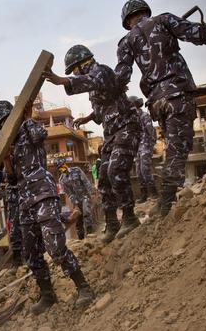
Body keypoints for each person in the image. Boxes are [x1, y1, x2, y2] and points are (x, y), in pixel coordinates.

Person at [0, 100, 94, 314]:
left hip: (43, 193)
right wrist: (6, 157)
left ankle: (84, 287)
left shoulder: (27, 128)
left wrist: (25, 119)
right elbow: (12, 176)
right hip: (25, 200)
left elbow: (40, 135)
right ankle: (47, 295)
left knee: (54, 246)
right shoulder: (8, 145)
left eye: (1, 126)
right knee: (31, 252)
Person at [116, 0, 206, 215]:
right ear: (145, 12)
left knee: (172, 146)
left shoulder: (126, 42)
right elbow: (194, 34)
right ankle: (166, 204)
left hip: (157, 102)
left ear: (127, 21)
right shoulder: (163, 20)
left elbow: (121, 76)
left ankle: (170, 197)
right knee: (177, 150)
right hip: (177, 95)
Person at [43, 45, 141, 243]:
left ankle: (130, 217)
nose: (75, 74)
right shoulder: (94, 83)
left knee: (115, 170)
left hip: (127, 127)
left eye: (75, 70)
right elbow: (103, 106)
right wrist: (88, 118)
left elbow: (90, 81)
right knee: (103, 178)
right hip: (112, 134)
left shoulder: (102, 71)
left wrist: (63, 80)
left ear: (83, 63)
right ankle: (112, 223)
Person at [0, 166, 23, 274]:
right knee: (14, 230)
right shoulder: (5, 158)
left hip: (28, 190)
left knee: (32, 227)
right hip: (13, 196)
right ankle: (18, 260)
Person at [129, 95, 158, 202]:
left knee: (145, 169)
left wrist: (151, 143)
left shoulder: (144, 115)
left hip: (145, 145)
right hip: (137, 148)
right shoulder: (131, 118)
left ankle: (153, 193)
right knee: (139, 171)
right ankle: (144, 194)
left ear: (134, 105)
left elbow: (151, 130)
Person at [57, 159, 94, 239]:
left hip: (85, 196)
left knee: (87, 213)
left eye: (62, 166)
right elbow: (69, 193)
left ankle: (90, 234)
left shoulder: (76, 170)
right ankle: (80, 238)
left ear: (65, 164)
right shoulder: (62, 180)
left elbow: (85, 181)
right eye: (60, 168)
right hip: (76, 200)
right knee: (78, 218)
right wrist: (75, 203)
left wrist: (91, 192)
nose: (62, 168)